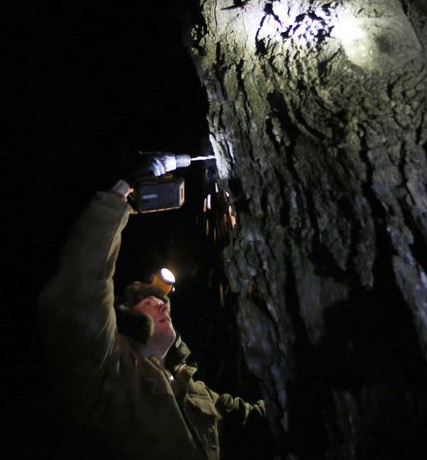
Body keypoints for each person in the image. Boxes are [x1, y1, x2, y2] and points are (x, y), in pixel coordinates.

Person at [38, 174, 266, 460]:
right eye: (150, 302)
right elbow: (80, 288)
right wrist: (122, 197)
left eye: (163, 303)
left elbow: (262, 424)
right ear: (123, 318)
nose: (164, 306)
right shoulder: (106, 369)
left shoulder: (193, 388)